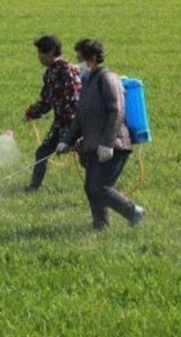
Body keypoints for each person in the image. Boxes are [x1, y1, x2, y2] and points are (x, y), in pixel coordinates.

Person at [56, 39, 145, 230]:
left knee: (97, 187)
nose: (77, 63)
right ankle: (100, 226)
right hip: (93, 147)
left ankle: (134, 212)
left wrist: (107, 143)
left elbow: (117, 110)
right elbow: (80, 117)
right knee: (91, 188)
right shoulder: (87, 83)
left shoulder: (108, 79)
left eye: (80, 58)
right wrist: (66, 141)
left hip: (114, 145)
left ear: (93, 58)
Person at [24, 35, 82, 191]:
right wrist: (32, 113)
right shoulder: (50, 73)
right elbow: (47, 100)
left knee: (86, 157)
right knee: (42, 152)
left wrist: (70, 132)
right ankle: (33, 188)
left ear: (50, 52)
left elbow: (74, 99)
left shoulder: (66, 70)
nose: (38, 57)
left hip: (74, 124)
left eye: (40, 53)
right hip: (60, 124)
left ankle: (100, 187)